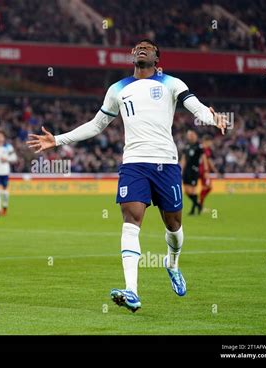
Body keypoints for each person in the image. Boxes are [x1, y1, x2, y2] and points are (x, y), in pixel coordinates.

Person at [27, 39, 227, 312]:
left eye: (147, 47)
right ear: (132, 56)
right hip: (133, 164)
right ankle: (132, 291)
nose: (141, 48)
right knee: (130, 222)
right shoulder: (117, 89)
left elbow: (195, 106)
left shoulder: (171, 83)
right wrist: (58, 140)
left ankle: (172, 263)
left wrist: (211, 117)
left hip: (166, 165)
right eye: (137, 47)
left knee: (174, 226)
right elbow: (97, 124)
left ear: (157, 57)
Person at [180, 130, 206, 215]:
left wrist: (205, 170)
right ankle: (198, 205)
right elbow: (183, 159)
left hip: (194, 170)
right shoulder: (187, 146)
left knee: (193, 190)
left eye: (191, 135)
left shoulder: (199, 146)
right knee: (187, 191)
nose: (190, 136)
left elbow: (204, 158)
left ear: (195, 135)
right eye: (188, 135)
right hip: (187, 170)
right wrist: (180, 169)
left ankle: (193, 210)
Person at [198, 135, 216, 213]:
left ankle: (200, 204)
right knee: (208, 187)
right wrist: (206, 171)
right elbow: (205, 159)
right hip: (203, 170)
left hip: (200, 169)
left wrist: (213, 169)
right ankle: (200, 205)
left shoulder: (201, 148)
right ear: (206, 141)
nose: (211, 143)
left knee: (206, 187)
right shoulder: (204, 149)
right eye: (210, 142)